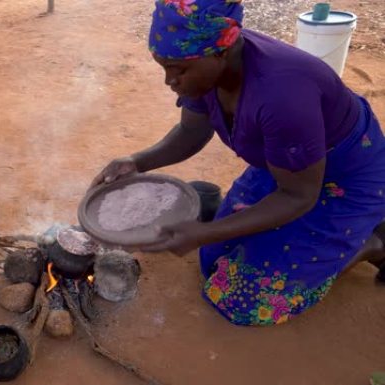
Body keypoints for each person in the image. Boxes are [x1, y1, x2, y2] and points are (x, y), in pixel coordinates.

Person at [90, 0, 385, 326]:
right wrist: (137, 161)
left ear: (221, 52)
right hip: (286, 165)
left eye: (178, 70)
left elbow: (298, 197)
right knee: (213, 262)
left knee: (242, 298)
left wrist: (205, 232)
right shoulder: (207, 68)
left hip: (344, 177)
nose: (169, 81)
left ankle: (371, 242)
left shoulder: (281, 96)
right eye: (164, 67)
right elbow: (192, 130)